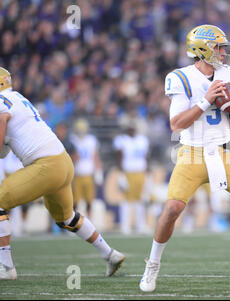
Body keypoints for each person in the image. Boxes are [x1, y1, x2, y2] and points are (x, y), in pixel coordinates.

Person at [139, 24, 230, 293]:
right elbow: (176, 124)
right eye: (218, 47)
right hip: (192, 153)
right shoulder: (180, 77)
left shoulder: (228, 73)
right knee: (172, 209)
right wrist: (206, 101)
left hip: (221, 151)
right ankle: (152, 264)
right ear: (203, 49)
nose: (222, 53)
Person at [0, 67, 125, 280]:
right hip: (63, 161)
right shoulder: (18, 98)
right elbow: (5, 149)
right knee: (67, 218)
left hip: (46, 165)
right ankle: (110, 254)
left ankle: (6, 268)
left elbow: (2, 127)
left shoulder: (2, 101)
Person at [113, 123, 150, 234]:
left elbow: (146, 156)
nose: (132, 131)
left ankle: (140, 225)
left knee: (140, 199)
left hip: (140, 172)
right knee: (127, 199)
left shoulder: (142, 140)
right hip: (128, 172)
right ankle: (125, 225)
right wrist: (120, 174)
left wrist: (148, 171)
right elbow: (119, 157)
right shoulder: (122, 140)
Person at [70, 118, 103, 218]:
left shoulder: (91, 140)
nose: (81, 131)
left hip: (88, 174)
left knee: (89, 200)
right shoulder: (72, 139)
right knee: (75, 201)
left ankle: (89, 221)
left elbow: (95, 156)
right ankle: (74, 223)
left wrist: (98, 172)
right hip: (76, 174)